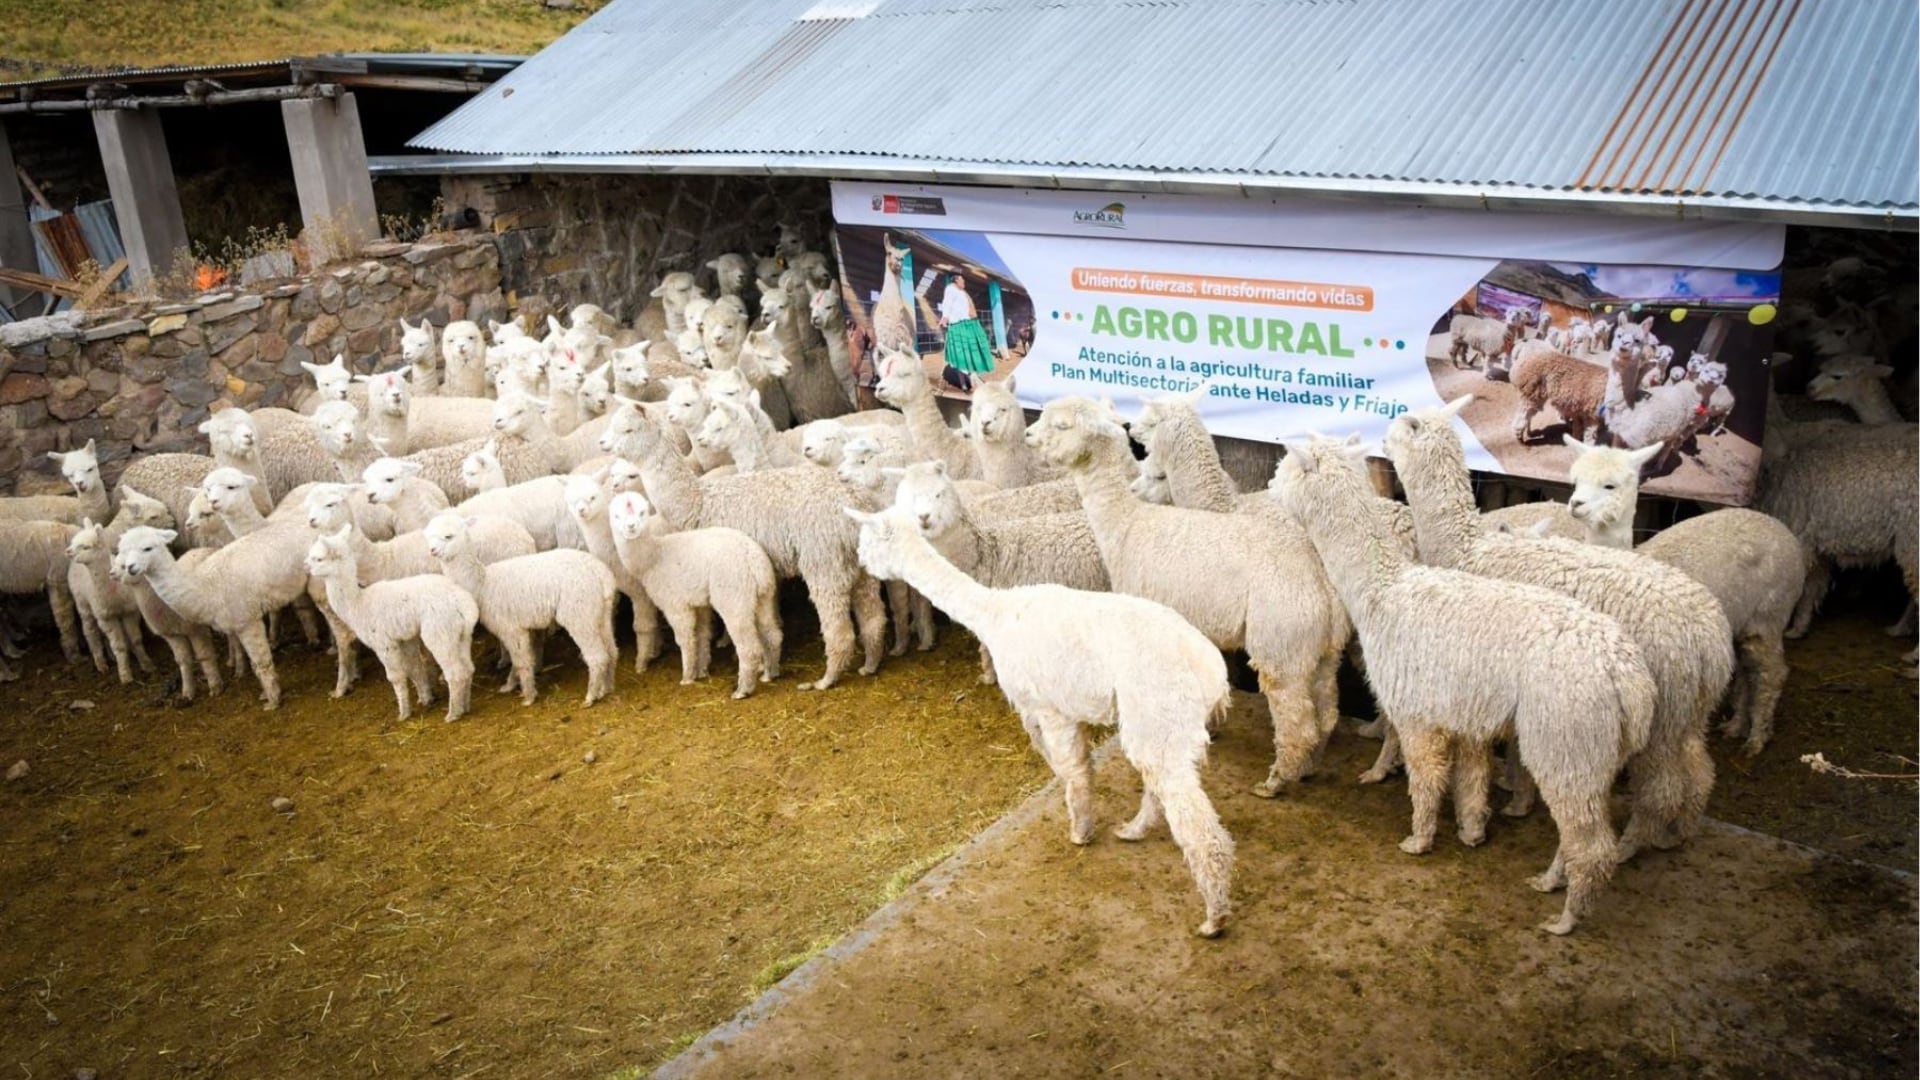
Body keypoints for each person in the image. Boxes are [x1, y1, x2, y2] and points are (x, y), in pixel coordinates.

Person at [936, 272, 995, 392]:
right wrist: (945, 317)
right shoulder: (950, 289)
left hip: (969, 323)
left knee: (971, 353)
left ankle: (971, 382)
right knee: (961, 354)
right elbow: (947, 303)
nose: (964, 283)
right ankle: (963, 384)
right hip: (958, 325)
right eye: (962, 280)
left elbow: (968, 307)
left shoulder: (962, 292)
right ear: (956, 281)